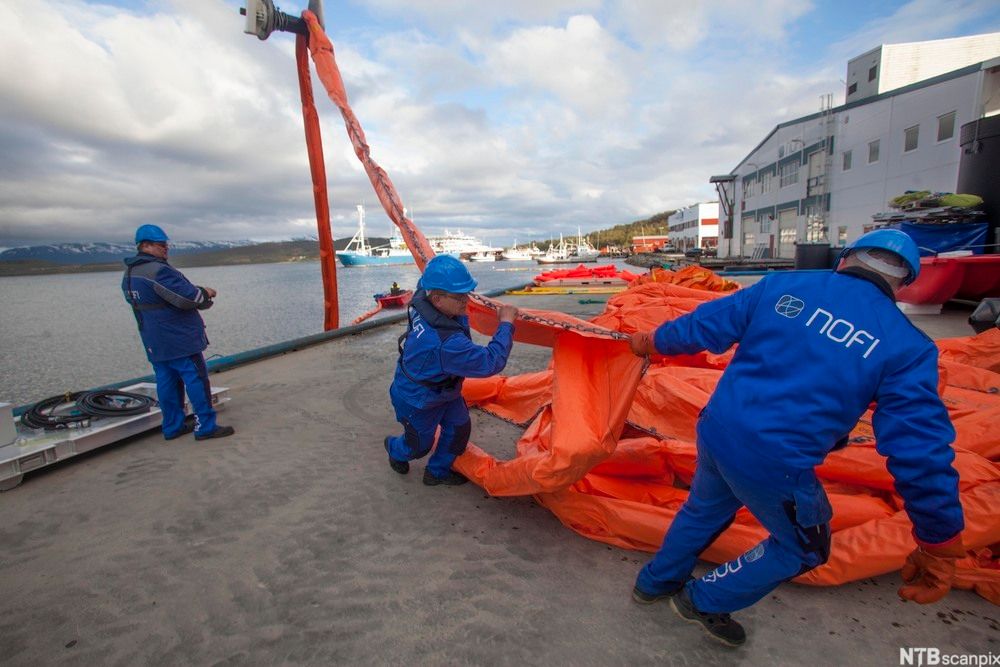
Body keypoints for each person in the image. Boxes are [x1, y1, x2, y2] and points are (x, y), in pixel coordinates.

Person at [627, 229, 964, 647]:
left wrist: (650, 341)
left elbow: (703, 326)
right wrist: (940, 541)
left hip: (719, 428)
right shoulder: (907, 347)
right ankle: (704, 600)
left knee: (704, 509)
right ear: (904, 284)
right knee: (805, 547)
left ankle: (654, 584)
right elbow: (919, 451)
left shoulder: (781, 286)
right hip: (775, 460)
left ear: (845, 259)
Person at [385, 255, 519, 486]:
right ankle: (394, 449)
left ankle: (437, 472)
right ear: (437, 299)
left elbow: (426, 277)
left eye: (467, 293)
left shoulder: (423, 296)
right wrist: (506, 323)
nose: (466, 301)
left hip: (445, 391)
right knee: (418, 446)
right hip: (417, 400)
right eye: (459, 297)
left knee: (458, 430)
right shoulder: (446, 343)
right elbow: (490, 362)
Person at [122, 224, 235, 441]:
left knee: (166, 380)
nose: (166, 249)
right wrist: (206, 292)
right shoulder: (158, 270)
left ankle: (172, 426)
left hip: (154, 338)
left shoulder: (130, 273)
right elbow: (188, 298)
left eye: (166, 245)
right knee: (196, 378)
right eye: (161, 245)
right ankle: (205, 426)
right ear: (145, 245)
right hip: (178, 337)